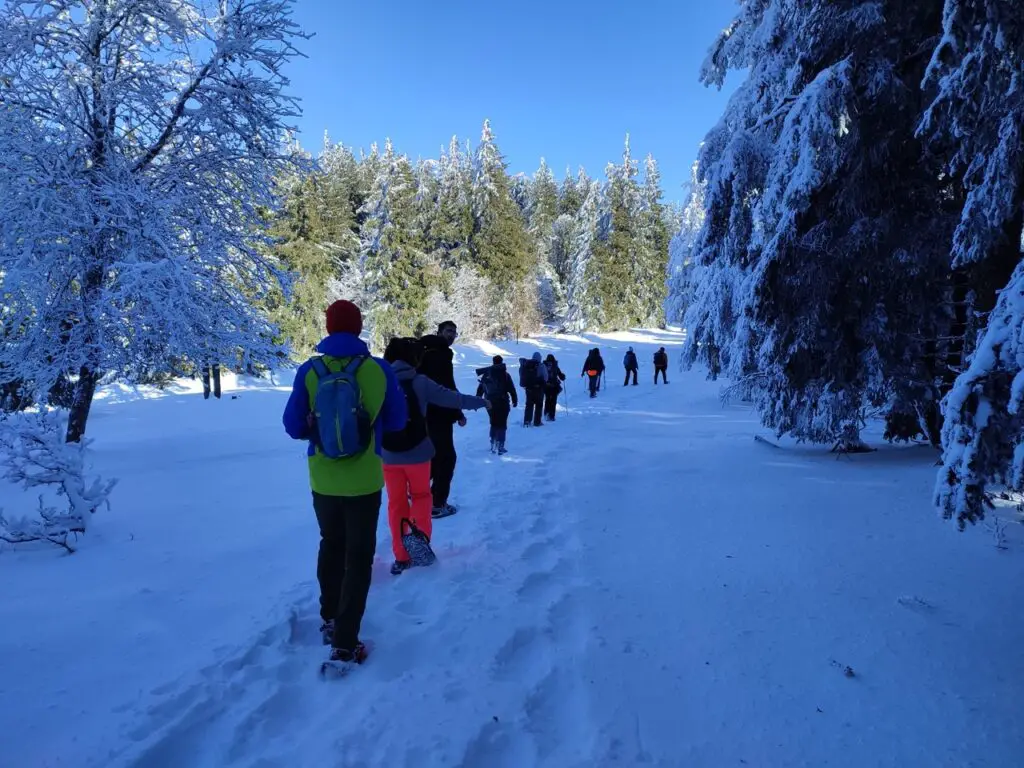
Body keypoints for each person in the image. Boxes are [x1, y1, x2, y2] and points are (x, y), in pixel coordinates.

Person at [282, 300, 407, 672]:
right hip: (366, 478)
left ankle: (330, 619)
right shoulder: (378, 369)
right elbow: (398, 421)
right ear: (358, 327)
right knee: (359, 555)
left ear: (328, 326)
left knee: (331, 545)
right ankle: (346, 643)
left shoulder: (310, 370)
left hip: (323, 477)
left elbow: (291, 426)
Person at [382, 338, 489, 575]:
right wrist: (481, 402)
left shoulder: (380, 381)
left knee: (396, 504)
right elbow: (452, 398)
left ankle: (401, 556)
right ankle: (420, 544)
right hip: (419, 453)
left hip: (389, 456)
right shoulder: (420, 382)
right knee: (421, 497)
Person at [418, 320, 464, 518]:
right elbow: (446, 385)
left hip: (424, 413)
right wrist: (458, 411)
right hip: (439, 414)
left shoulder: (426, 350)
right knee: (446, 458)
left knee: (434, 456)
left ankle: (420, 495)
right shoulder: (441, 353)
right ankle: (437, 504)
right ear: (439, 332)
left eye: (454, 332)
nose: (451, 335)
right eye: (448, 331)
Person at [476, 355, 518, 454]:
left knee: (493, 422)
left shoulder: (486, 373)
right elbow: (511, 389)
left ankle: (493, 443)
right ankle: (500, 445)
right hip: (502, 402)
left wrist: (477, 399)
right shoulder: (505, 375)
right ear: (501, 362)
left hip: (489, 402)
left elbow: (480, 388)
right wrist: (514, 400)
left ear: (493, 362)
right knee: (502, 423)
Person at [519, 351, 548, 427]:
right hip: (539, 389)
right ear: (540, 358)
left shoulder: (526, 365)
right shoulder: (541, 366)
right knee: (539, 405)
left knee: (529, 405)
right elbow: (545, 377)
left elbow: (521, 374)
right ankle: (537, 422)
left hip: (528, 389)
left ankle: (527, 421)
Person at [543, 354, 566, 421]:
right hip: (554, 386)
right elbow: (560, 375)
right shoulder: (555, 366)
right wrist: (563, 377)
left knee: (547, 400)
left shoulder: (544, 365)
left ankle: (546, 413)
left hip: (546, 386)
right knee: (553, 401)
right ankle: (552, 416)